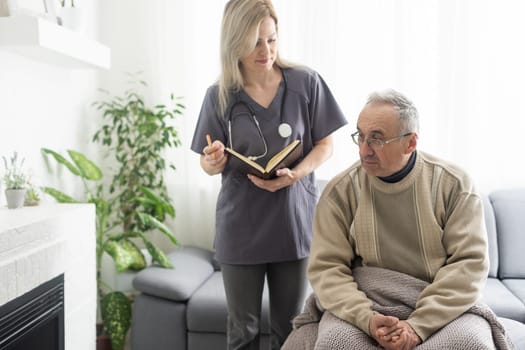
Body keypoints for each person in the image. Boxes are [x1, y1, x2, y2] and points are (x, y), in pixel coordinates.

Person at [282, 89, 515, 350]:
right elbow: (327, 270)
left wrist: (417, 327)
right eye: (360, 136)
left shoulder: (454, 185)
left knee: (470, 343)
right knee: (337, 342)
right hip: (367, 302)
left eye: (377, 139)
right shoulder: (340, 192)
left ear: (410, 142)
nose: (364, 150)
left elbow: (468, 266)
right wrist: (367, 319)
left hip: (442, 304)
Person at [190, 0, 347, 349]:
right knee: (242, 333)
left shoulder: (306, 82)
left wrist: (297, 173)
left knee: (290, 331)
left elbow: (325, 144)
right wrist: (211, 162)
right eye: (255, 42)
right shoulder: (218, 96)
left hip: (292, 223)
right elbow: (207, 158)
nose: (266, 51)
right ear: (234, 42)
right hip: (240, 225)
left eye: (272, 40)